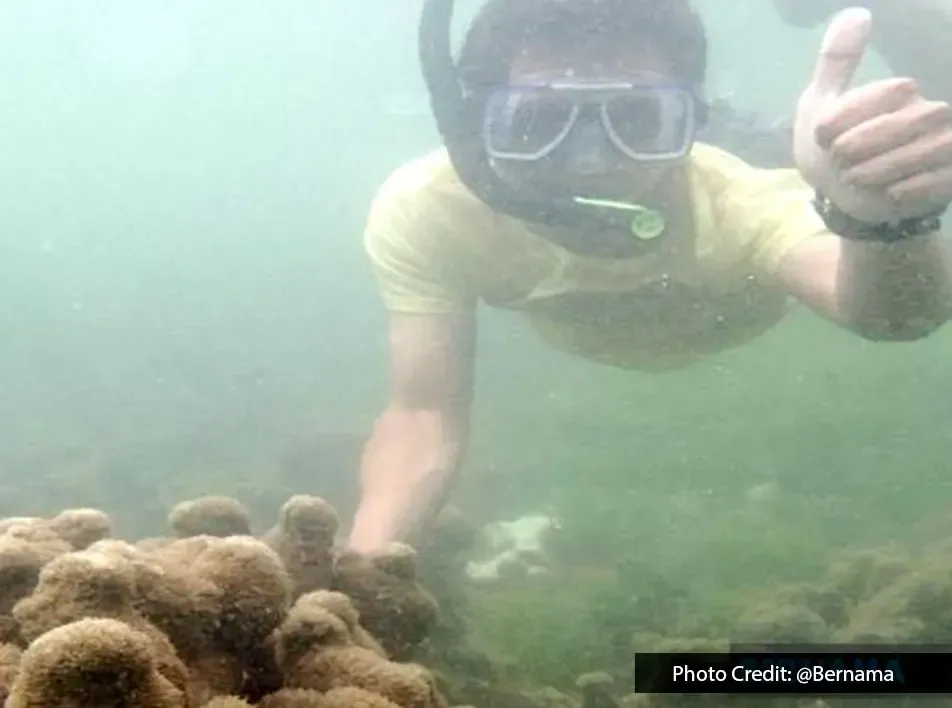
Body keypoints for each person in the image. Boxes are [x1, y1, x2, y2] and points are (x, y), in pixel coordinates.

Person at [347, 0, 952, 553]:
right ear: (475, 125)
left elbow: (895, 317)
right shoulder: (431, 209)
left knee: (878, 150)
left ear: (689, 125)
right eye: (538, 121)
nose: (589, 162)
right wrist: (360, 575)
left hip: (741, 159)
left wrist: (882, 222)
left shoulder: (742, 198)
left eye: (635, 119)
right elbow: (422, 416)